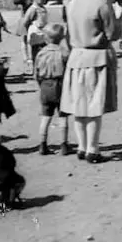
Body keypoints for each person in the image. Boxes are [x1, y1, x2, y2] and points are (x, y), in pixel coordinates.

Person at [61, 0, 120, 164]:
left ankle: (82, 146)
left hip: (76, 56)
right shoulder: (101, 4)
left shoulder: (72, 2)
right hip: (96, 57)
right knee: (94, 105)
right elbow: (114, 34)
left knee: (79, 105)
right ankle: (93, 148)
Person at [34, 23, 71, 156]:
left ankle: (42, 144)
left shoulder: (41, 53)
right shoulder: (64, 53)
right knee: (63, 117)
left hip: (45, 84)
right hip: (60, 85)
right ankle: (64, 144)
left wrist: (41, 84)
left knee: (45, 116)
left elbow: (36, 73)